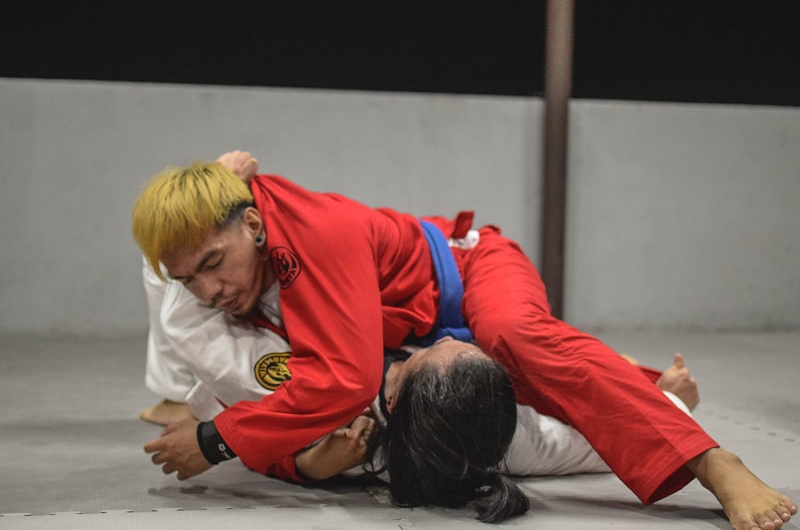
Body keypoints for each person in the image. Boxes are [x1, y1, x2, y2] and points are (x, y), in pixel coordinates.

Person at [131, 153, 795, 530]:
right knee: (467, 392)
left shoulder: (313, 236)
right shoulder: (224, 235)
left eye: (214, 264)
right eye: (189, 277)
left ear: (253, 223)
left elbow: (343, 380)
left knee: (512, 337)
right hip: (411, 328)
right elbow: (182, 272)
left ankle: (714, 462)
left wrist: (217, 440)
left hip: (467, 268)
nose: (208, 288)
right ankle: (646, 383)